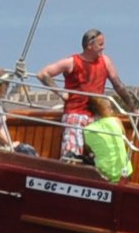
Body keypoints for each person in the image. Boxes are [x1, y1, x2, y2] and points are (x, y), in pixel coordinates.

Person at [37, 30, 119, 162]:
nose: (103, 47)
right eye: (100, 44)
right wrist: (60, 93)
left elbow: (118, 84)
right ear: (89, 45)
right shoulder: (72, 62)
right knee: (71, 155)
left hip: (96, 116)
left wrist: (133, 108)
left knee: (102, 154)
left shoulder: (105, 61)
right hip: (75, 114)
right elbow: (43, 74)